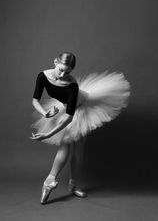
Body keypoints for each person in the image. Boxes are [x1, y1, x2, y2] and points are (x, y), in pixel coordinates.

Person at [30, 52, 130, 205]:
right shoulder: (43, 76)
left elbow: (69, 118)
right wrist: (45, 113)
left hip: (82, 108)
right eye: (61, 69)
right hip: (65, 107)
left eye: (67, 72)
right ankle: (49, 181)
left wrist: (46, 134)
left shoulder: (72, 85)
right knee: (65, 147)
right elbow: (35, 100)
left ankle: (73, 185)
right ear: (55, 62)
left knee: (77, 151)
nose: (63, 74)